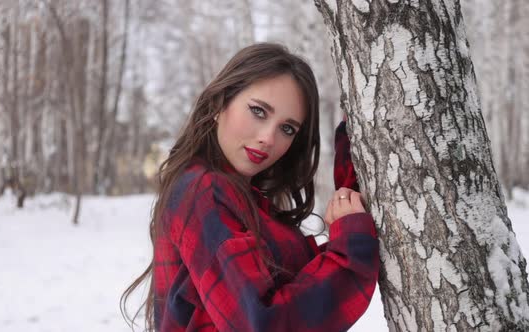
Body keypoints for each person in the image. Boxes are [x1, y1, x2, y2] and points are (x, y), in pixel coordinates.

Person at [121, 42, 379, 332]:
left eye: (287, 128)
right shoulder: (204, 192)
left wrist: (354, 182)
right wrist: (351, 252)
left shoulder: (241, 198)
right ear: (220, 103)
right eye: (258, 111)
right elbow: (262, 323)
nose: (268, 138)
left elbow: (299, 284)